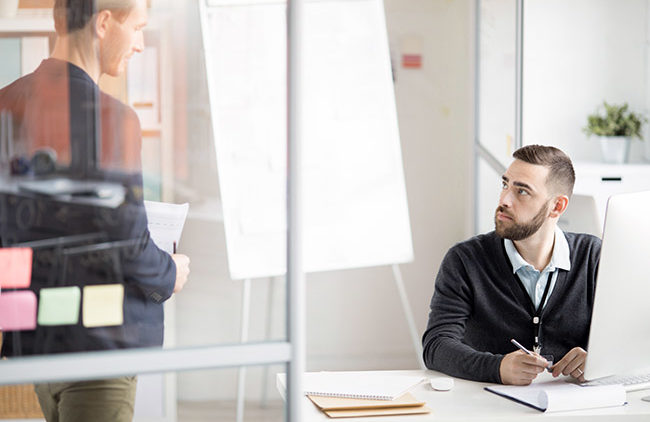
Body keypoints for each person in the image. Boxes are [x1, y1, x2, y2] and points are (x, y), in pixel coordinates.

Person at [0, 0, 190, 420]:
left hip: (37, 345)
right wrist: (170, 272)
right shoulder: (111, 118)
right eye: (137, 28)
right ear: (104, 23)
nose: (140, 44)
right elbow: (129, 245)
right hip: (99, 349)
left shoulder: (5, 104)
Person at [422, 145, 600, 386]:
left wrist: (597, 360)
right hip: (489, 405)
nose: (504, 200)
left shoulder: (593, 257)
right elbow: (436, 346)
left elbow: (632, 335)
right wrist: (497, 368)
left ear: (556, 207)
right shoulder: (465, 260)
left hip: (573, 407)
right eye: (505, 185)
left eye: (522, 192)